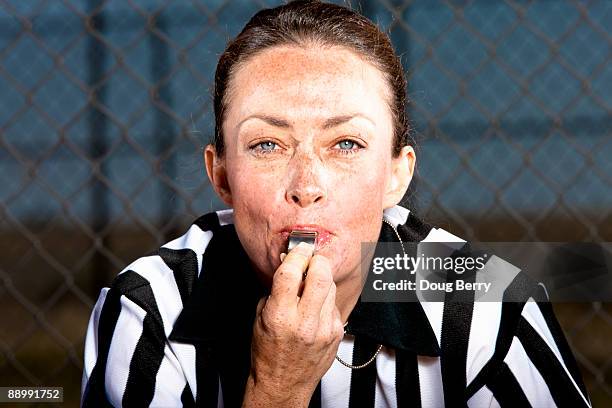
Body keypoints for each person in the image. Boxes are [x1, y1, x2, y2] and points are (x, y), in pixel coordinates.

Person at [81, 1, 591, 407]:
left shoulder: (486, 305)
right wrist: (277, 389)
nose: (306, 185)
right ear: (221, 176)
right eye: (267, 145)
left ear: (397, 173)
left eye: (345, 144)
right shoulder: (149, 309)